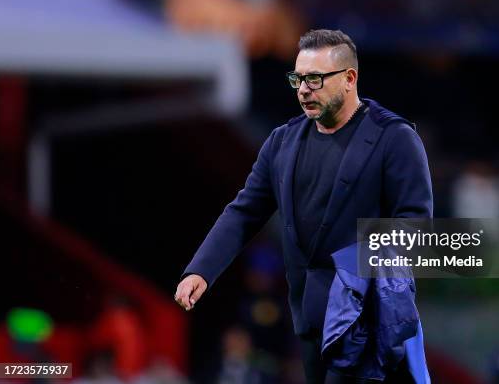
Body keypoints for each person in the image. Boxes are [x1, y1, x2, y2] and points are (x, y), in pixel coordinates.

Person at [174, 29, 433, 383]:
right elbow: (245, 211)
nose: (303, 89)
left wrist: (356, 269)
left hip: (368, 326)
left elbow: (416, 226)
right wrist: (201, 270)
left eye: (314, 79)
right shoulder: (282, 142)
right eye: (297, 79)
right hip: (308, 323)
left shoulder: (395, 138)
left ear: (349, 78)